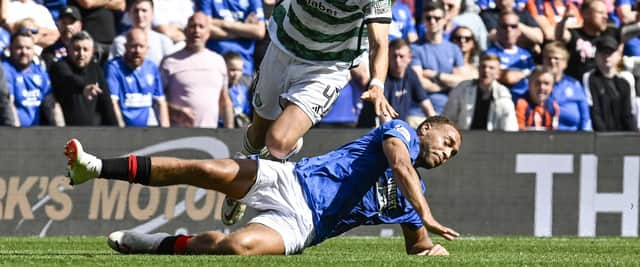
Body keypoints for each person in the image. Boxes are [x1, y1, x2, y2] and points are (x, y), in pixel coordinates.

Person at [206, 0, 397, 223]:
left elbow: (380, 42)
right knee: (258, 132)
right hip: (284, 45)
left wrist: (376, 81)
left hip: (326, 66)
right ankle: (245, 170)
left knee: (279, 142)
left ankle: (246, 186)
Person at [64, 115, 461, 256]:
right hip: (291, 180)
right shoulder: (400, 133)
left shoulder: (411, 199)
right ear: (426, 129)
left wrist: (431, 248)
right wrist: (426, 213)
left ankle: (153, 244)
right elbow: (399, 164)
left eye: (453, 154)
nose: (447, 153)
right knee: (203, 170)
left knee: (236, 247)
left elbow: (419, 245)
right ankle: (95, 166)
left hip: (306, 227)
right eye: (447, 142)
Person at [160, 12, 233, 128]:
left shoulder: (218, 61)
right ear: (186, 31)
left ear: (208, 33)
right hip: (177, 136)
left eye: (201, 27)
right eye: (192, 26)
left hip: (211, 136)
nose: (196, 31)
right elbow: (157, 101)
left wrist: (230, 133)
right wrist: (176, 112)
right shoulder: (169, 62)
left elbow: (224, 101)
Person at [358, 38, 434, 127]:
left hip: (397, 129)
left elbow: (427, 107)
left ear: (409, 57)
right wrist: (396, 134)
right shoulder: (380, 79)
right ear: (388, 57)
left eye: (401, 56)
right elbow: (384, 115)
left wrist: (437, 127)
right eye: (394, 56)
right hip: (372, 130)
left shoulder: (411, 75)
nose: (397, 61)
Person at [49, 30, 118, 126]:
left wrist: (116, 130)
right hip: (66, 133)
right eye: (77, 49)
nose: (81, 54)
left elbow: (106, 102)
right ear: (69, 50)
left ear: (92, 52)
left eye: (85, 49)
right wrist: (84, 87)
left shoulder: (96, 69)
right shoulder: (60, 65)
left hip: (93, 132)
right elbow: (69, 79)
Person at [105, 28, 169, 128]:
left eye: (141, 46)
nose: (137, 51)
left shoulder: (151, 68)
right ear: (125, 46)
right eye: (133, 46)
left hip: (144, 130)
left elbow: (160, 102)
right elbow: (113, 102)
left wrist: (166, 132)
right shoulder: (114, 67)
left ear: (147, 48)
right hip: (122, 129)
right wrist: (120, 130)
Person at [443, 52, 517, 131]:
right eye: (483, 66)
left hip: (493, 140)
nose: (486, 70)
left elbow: (509, 126)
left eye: (491, 68)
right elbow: (448, 119)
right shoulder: (462, 89)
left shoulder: (503, 94)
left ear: (498, 73)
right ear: (478, 69)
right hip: (465, 138)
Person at [2, 28, 56, 127]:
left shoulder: (39, 71)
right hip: (13, 132)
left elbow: (51, 104)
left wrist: (62, 132)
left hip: (37, 133)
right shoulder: (5, 69)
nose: (24, 52)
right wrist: (17, 135)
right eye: (19, 48)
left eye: (28, 48)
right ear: (10, 48)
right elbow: (9, 102)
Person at [582, 34, 637, 131]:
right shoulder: (589, 78)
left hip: (622, 137)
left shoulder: (625, 82)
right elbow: (594, 112)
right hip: (600, 137)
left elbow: (628, 115)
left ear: (618, 55)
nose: (606, 57)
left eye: (610, 52)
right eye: (603, 52)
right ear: (596, 55)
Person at [109, 0, 176, 66]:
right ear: (129, 14)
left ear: (152, 14)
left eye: (144, 10)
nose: (140, 15)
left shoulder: (164, 41)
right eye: (136, 11)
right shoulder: (120, 41)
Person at [541, 42, 591, 131]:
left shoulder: (574, 85)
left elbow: (585, 118)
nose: (552, 61)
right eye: (548, 58)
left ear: (565, 63)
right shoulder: (536, 83)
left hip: (572, 138)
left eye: (556, 58)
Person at [515, 65, 560, 131]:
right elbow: (518, 134)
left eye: (546, 83)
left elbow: (553, 135)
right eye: (537, 83)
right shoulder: (521, 103)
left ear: (552, 87)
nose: (542, 87)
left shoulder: (554, 107)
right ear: (529, 84)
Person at [224, 51, 252, 127]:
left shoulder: (243, 90)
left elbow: (246, 111)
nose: (236, 74)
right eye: (232, 70)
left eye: (239, 70)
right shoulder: (219, 91)